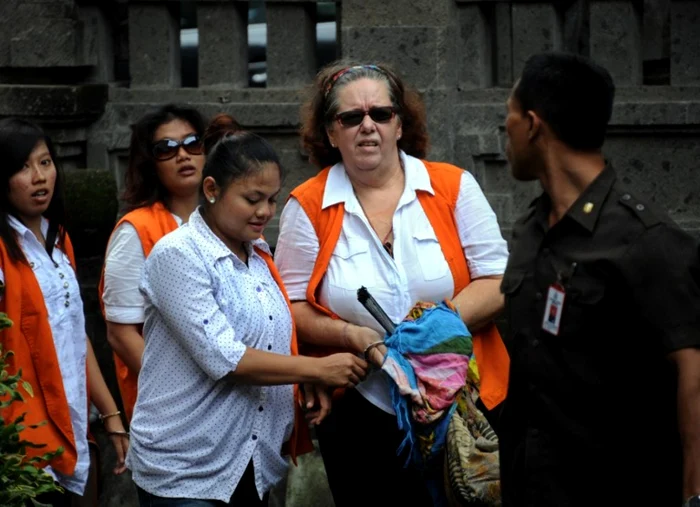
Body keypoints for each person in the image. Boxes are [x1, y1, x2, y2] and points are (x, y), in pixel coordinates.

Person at [274, 61, 511, 506]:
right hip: (361, 405)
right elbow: (288, 307)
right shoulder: (306, 206)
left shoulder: (453, 185)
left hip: (464, 399)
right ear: (330, 132)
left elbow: (498, 281)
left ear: (400, 124)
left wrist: (433, 329)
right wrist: (352, 336)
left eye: (380, 114)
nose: (367, 126)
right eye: (351, 118)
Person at [127, 114, 368, 506]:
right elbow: (225, 358)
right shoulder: (178, 254)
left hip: (251, 462)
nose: (265, 212)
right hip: (185, 468)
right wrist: (318, 368)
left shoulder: (257, 254)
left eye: (272, 199)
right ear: (212, 189)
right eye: (252, 199)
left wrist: (302, 382)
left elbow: (270, 336)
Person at [498, 51, 700, 507]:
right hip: (531, 486)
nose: (504, 134)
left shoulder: (646, 241)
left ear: (533, 125)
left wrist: (694, 495)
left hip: (615, 487)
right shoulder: (531, 231)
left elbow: (693, 375)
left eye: (507, 119)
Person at [0, 118, 129, 506]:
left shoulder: (58, 240)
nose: (39, 177)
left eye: (44, 162)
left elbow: (74, 335)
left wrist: (110, 415)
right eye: (22, 168)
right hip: (22, 438)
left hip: (75, 428)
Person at [99, 104, 209, 422]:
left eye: (192, 143)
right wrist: (181, 392)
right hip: (170, 412)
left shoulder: (227, 222)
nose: (183, 155)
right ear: (150, 163)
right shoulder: (136, 230)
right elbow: (120, 334)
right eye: (166, 149)